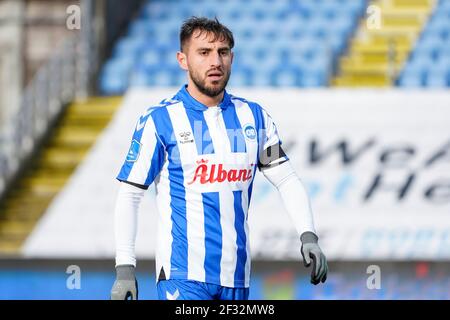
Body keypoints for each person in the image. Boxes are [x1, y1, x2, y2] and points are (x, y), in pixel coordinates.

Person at [110, 16, 327, 300]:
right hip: (183, 276)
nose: (216, 61)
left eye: (222, 52)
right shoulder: (160, 120)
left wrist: (308, 235)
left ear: (232, 58)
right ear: (182, 60)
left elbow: (286, 179)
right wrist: (125, 267)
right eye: (204, 53)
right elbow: (130, 194)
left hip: (236, 276)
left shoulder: (255, 117)